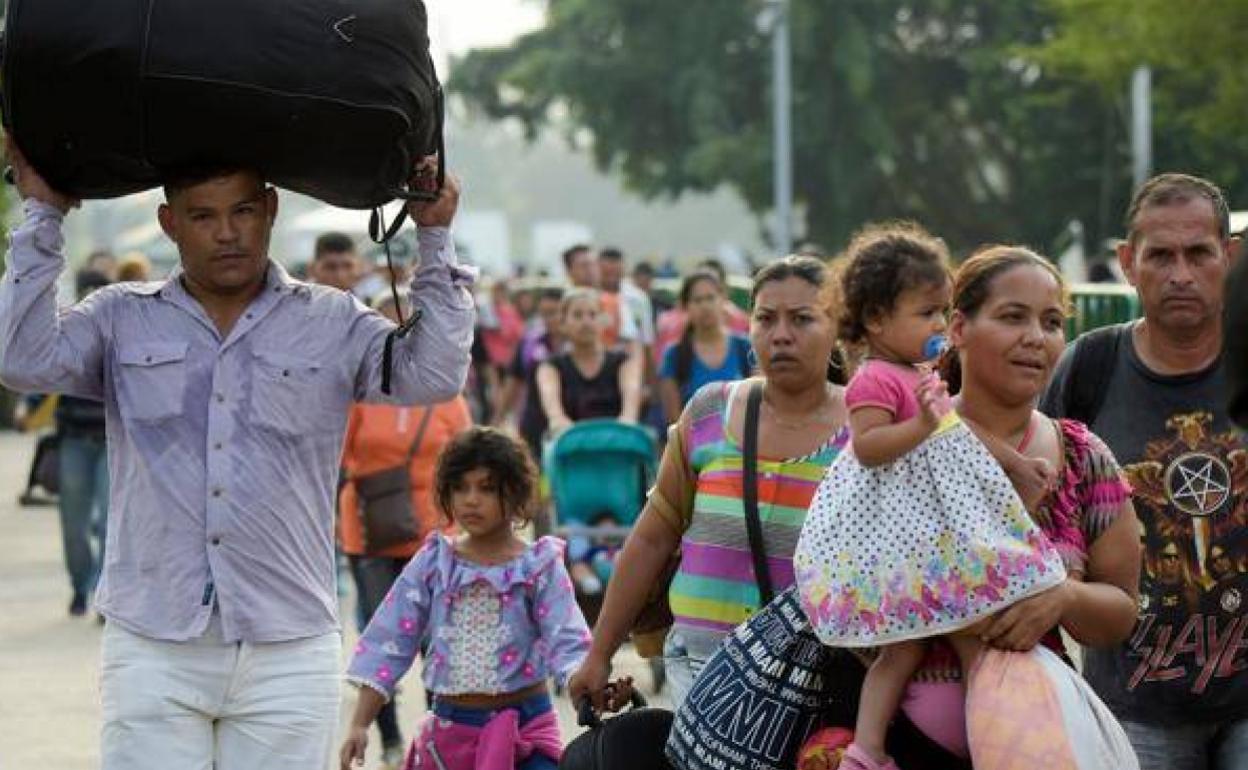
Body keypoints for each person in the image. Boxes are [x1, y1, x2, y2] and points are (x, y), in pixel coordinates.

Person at [0, 138, 475, 770]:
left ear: (271, 209)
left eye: (243, 211)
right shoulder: (119, 318)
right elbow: (21, 359)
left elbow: (435, 374)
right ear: (171, 223)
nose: (227, 233)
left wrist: (435, 237)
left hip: (287, 644)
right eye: (203, 216)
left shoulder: (332, 321)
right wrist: (43, 216)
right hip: (154, 641)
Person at [800, 245, 1138, 769]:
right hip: (900, 738)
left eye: (1051, 322)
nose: (1035, 337)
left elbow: (1120, 611)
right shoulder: (897, 442)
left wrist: (1062, 597)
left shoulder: (1083, 459)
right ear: (957, 328)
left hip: (1029, 737)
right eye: (1012, 317)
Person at [568, 255, 851, 708]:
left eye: (802, 319)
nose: (780, 334)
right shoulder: (709, 411)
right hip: (700, 671)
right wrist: (599, 652)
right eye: (765, 318)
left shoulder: (867, 433)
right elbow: (651, 539)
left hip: (811, 684)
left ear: (838, 325)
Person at [1041, 173, 1247, 770]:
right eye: (1160, 255)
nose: (1180, 273)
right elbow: (1036, 503)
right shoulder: (1090, 367)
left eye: (1198, 253)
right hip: (1134, 702)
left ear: (1227, 259)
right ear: (1129, 263)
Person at [340, 427, 592, 770]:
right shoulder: (434, 562)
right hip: (449, 738)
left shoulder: (539, 566)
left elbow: (568, 639)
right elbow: (390, 639)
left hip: (526, 735)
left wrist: (588, 685)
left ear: (516, 494)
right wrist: (359, 724)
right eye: (460, 488)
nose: (470, 499)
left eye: (487, 488)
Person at [337, 293, 473, 769]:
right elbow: (334, 458)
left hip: (434, 536)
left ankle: (440, 738)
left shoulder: (444, 392)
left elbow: (466, 460)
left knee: (440, 640)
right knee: (381, 639)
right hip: (369, 531)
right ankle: (391, 740)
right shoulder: (356, 392)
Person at [55, 267, 114, 617]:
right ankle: (80, 585)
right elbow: (40, 374)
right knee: (74, 523)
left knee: (109, 521)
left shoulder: (125, 334)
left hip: (111, 442)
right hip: (74, 440)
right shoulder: (68, 332)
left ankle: (104, 593)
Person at [535, 288, 643, 435]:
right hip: (569, 447)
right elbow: (554, 413)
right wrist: (559, 422)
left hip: (616, 445)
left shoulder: (624, 363)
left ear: (603, 321)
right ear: (563, 323)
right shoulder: (550, 367)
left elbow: (630, 411)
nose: (586, 322)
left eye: (593, 315)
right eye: (577, 315)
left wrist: (626, 421)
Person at [657, 269, 752, 424]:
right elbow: (674, 424)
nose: (705, 306)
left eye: (710, 298)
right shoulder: (674, 355)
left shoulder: (745, 347)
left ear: (723, 299)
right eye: (697, 300)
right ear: (685, 306)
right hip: (694, 446)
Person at [498, 286, 565, 459]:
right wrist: (498, 419)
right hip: (533, 424)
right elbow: (513, 381)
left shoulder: (579, 347)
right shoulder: (530, 342)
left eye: (554, 312)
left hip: (569, 425)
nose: (550, 319)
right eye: (545, 313)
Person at [562, 244, 638, 350]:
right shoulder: (560, 304)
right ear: (569, 271)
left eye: (594, 264)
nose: (590, 270)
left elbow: (630, 342)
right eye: (584, 265)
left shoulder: (613, 302)